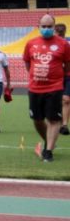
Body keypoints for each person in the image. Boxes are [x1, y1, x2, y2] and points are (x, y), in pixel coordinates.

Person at [23, 14, 70, 162]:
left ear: (54, 27)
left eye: (49, 26)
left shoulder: (63, 44)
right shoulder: (31, 44)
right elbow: (27, 63)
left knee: (54, 120)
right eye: (44, 26)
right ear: (38, 27)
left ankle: (48, 150)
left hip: (55, 87)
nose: (46, 29)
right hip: (35, 88)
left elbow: (67, 65)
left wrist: (57, 76)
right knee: (37, 120)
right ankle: (50, 141)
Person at [57, 22, 70, 136]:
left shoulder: (68, 42)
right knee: (56, 101)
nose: (60, 32)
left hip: (68, 76)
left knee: (66, 99)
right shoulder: (51, 44)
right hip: (55, 76)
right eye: (58, 30)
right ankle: (56, 122)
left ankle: (64, 125)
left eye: (62, 30)